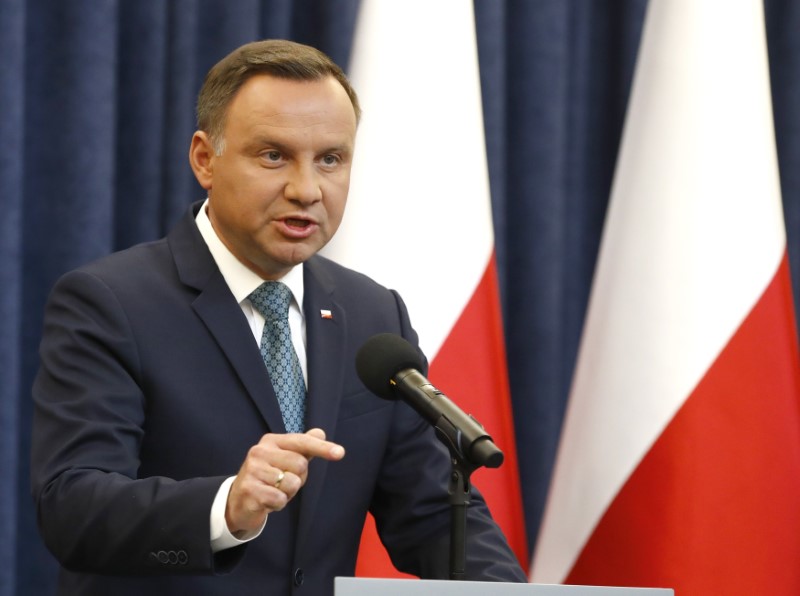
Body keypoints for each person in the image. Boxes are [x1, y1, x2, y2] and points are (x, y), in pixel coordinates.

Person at [30, 39, 527, 595]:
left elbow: (434, 515)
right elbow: (71, 508)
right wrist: (226, 508)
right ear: (204, 159)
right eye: (273, 156)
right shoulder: (110, 302)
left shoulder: (373, 315)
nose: (307, 189)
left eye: (330, 160)